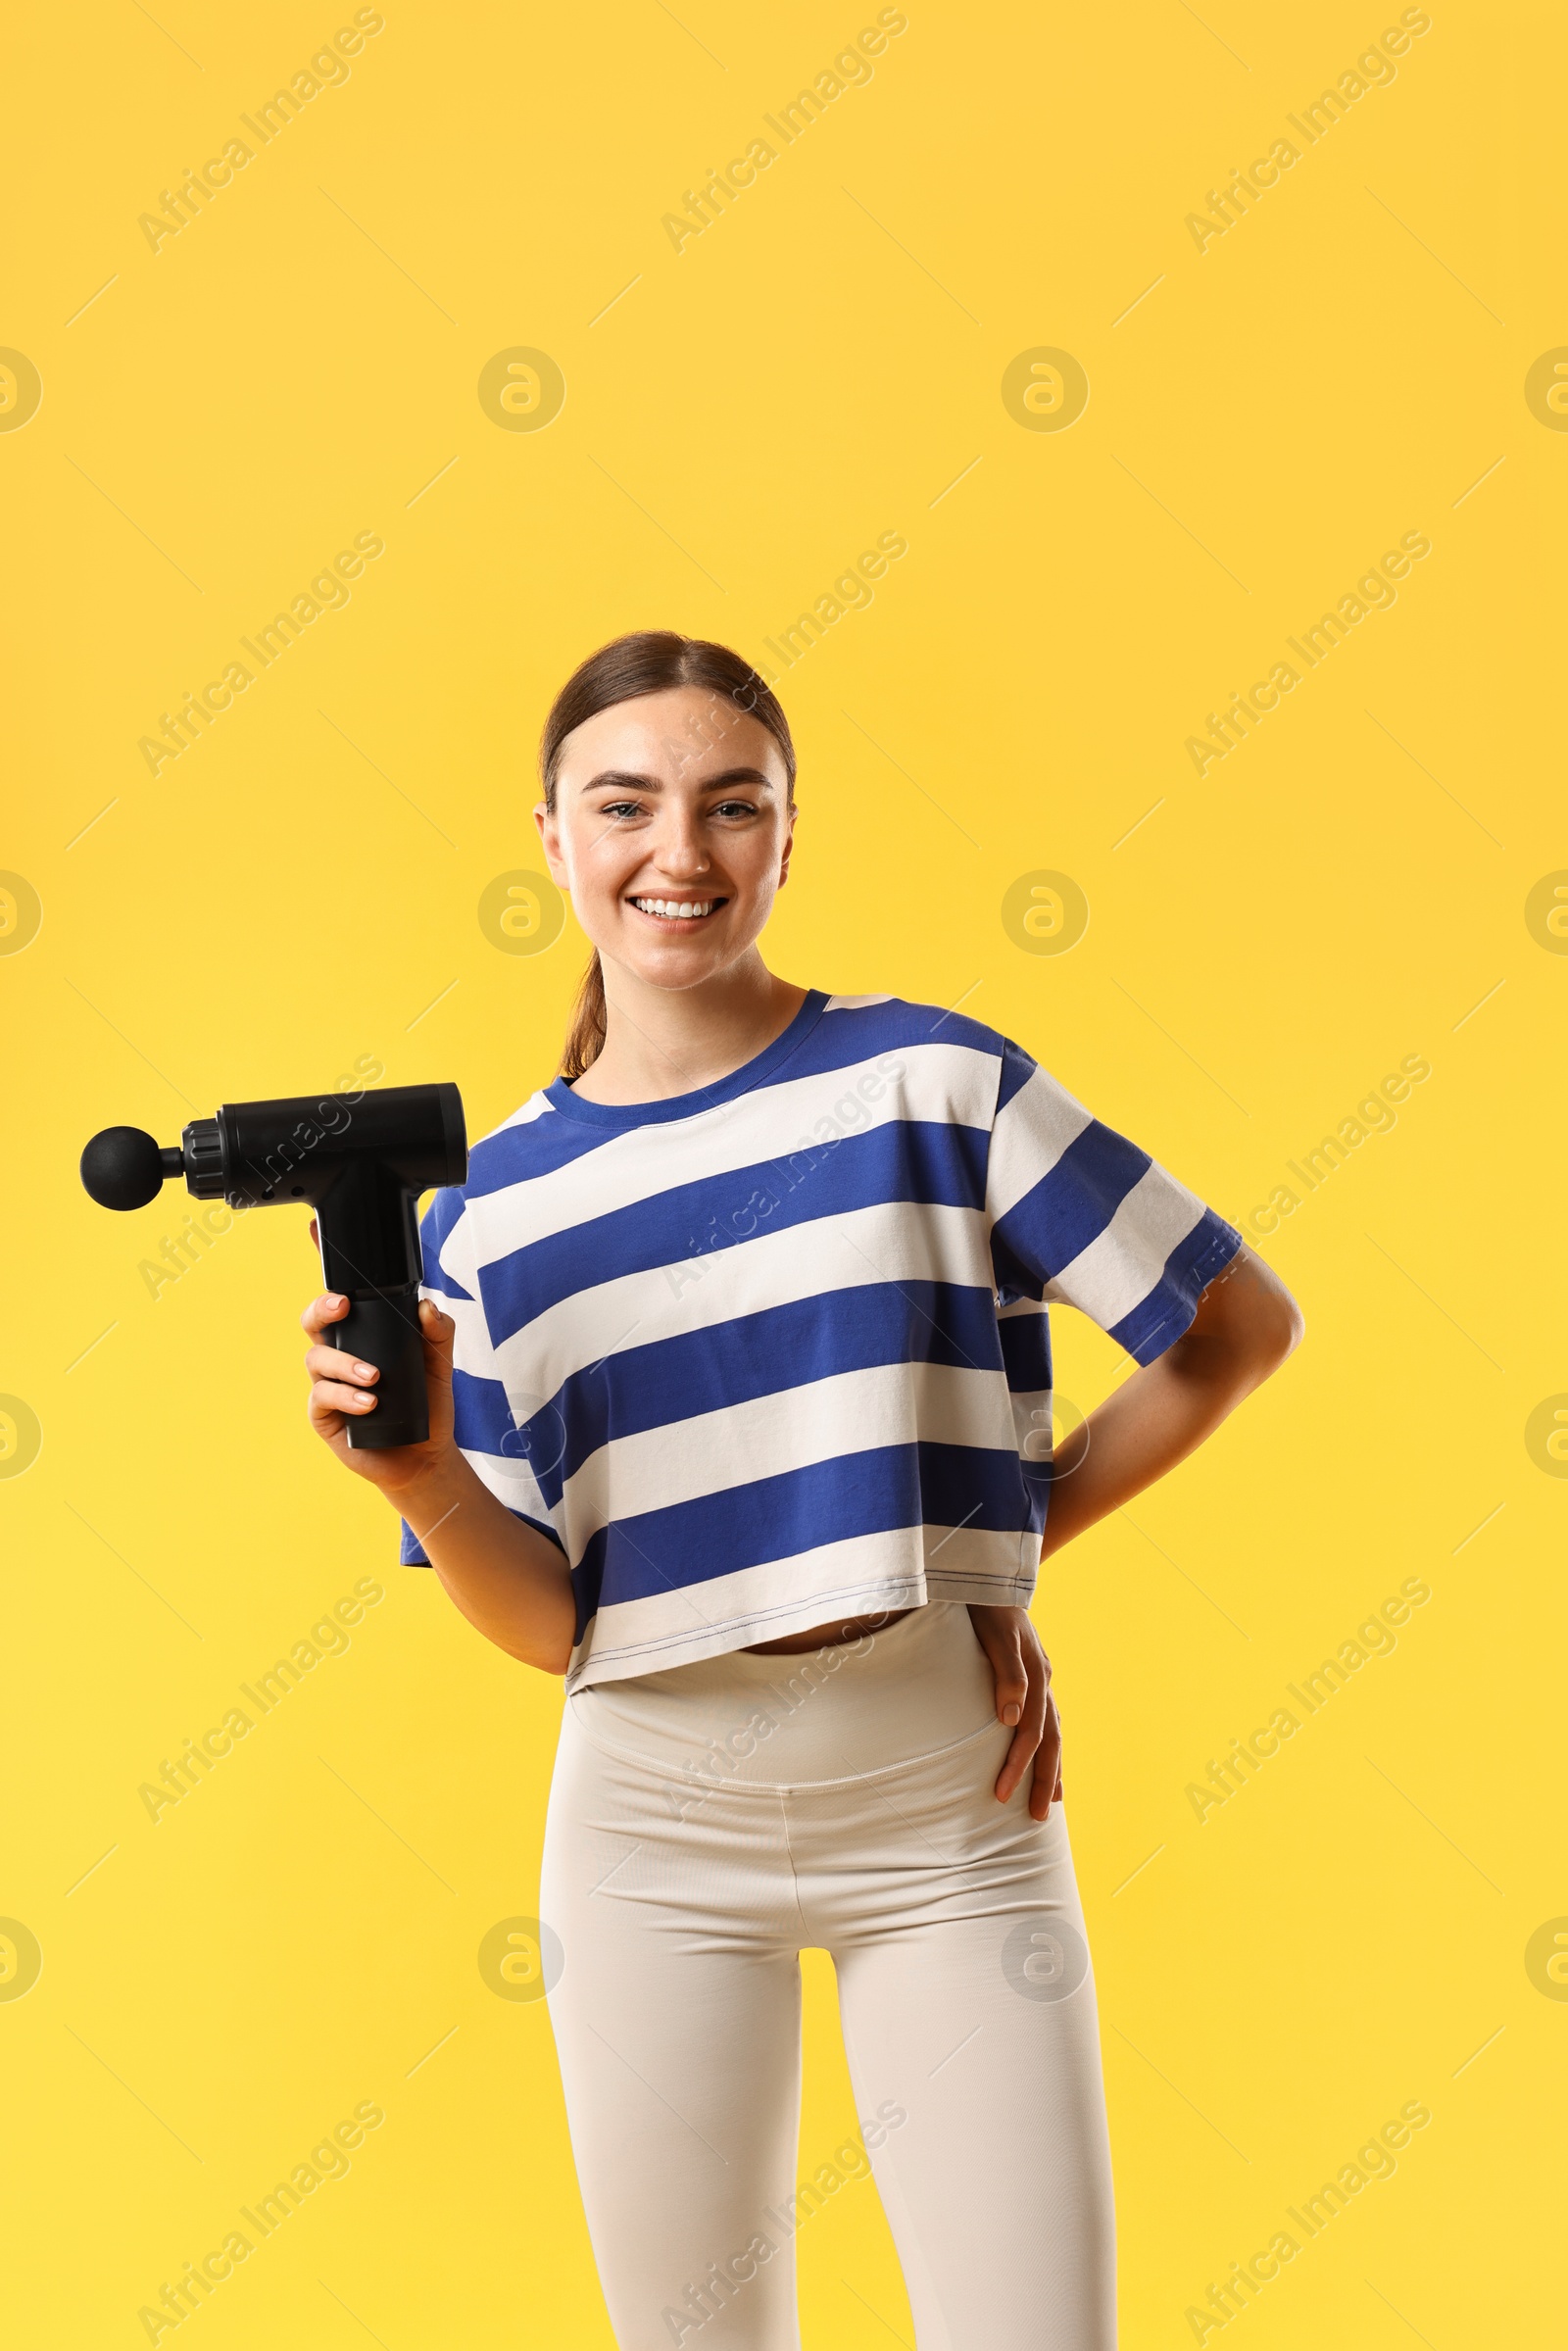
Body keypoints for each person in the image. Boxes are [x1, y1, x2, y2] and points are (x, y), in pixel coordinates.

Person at [301, 630, 1303, 2349]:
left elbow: (1235, 1329)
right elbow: (553, 1626)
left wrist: (989, 1544)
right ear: (551, 837)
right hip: (648, 1836)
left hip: (948, 1811)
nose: (677, 855)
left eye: (730, 805)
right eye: (625, 806)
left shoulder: (933, 1082)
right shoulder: (483, 1217)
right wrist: (416, 1477)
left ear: (786, 834)